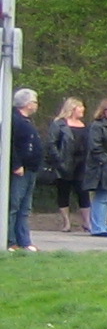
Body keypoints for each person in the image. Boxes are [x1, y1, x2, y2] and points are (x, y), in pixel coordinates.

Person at [46, 97, 88, 231]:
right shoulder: (59, 124)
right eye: (80, 107)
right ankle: (67, 223)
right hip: (64, 163)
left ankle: (87, 222)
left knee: (83, 192)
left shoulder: (84, 125)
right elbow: (51, 144)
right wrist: (59, 161)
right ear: (72, 109)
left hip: (81, 163)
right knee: (64, 192)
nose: (83, 110)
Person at [8, 88, 42, 252]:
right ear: (27, 104)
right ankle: (10, 240)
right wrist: (16, 164)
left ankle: (24, 240)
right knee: (14, 205)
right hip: (20, 170)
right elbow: (10, 144)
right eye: (34, 102)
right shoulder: (14, 120)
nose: (36, 105)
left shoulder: (28, 121)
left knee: (25, 207)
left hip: (31, 169)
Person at [84, 98, 107, 237]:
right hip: (100, 167)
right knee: (102, 196)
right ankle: (98, 227)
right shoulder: (97, 126)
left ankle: (103, 225)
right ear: (105, 111)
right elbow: (95, 147)